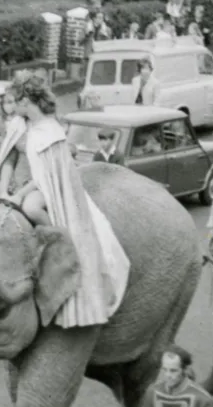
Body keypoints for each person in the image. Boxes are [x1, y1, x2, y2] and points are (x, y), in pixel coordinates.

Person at [11, 75, 129, 326]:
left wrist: (21, 193)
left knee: (30, 207)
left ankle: (56, 237)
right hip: (42, 184)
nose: (13, 107)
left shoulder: (49, 130)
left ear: (26, 101)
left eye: (15, 101)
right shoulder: (30, 126)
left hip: (54, 188)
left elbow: (48, 176)